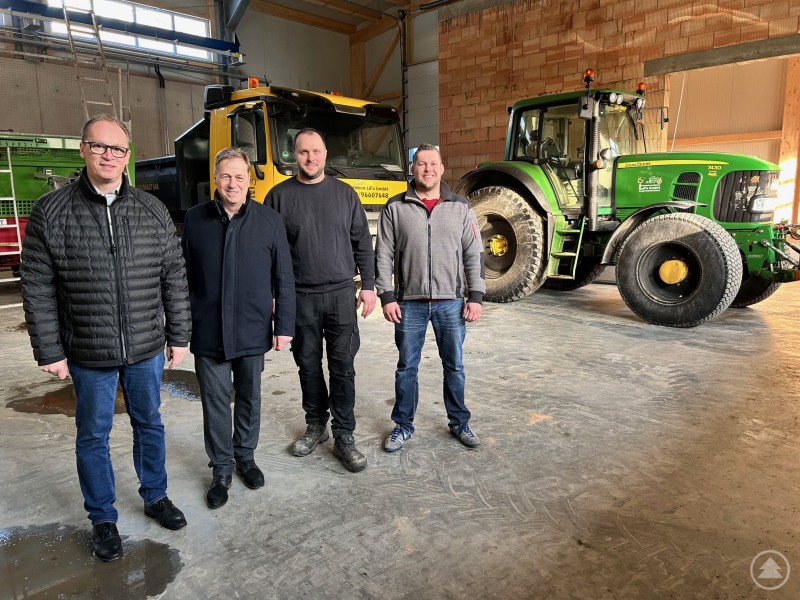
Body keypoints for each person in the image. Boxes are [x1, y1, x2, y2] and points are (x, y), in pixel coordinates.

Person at [20, 114, 191, 562]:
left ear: (127, 156)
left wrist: (179, 334)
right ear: (83, 150)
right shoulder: (52, 211)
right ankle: (103, 518)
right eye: (100, 147)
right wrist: (50, 349)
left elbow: (173, 275)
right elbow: (37, 285)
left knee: (149, 423)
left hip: (145, 346)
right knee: (93, 435)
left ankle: (155, 496)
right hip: (87, 349)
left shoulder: (151, 210)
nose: (109, 156)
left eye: (117, 149)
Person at [181, 147, 295, 509]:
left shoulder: (269, 221)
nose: (233, 183)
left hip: (252, 328)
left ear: (250, 181)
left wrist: (284, 326)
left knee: (249, 397)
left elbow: (284, 278)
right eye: (226, 176)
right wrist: (179, 329)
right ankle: (222, 469)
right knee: (215, 403)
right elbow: (180, 278)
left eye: (239, 177)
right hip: (208, 330)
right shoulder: (196, 220)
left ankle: (245, 456)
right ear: (216, 179)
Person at [265, 128, 375, 473]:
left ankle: (344, 435)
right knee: (308, 366)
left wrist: (369, 286)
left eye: (315, 152)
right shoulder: (278, 197)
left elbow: (363, 243)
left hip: (342, 295)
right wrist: (272, 295)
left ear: (326, 154)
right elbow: (268, 252)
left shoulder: (345, 194)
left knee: (343, 367)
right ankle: (316, 425)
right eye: (302, 152)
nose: (310, 159)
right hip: (299, 298)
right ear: (293, 156)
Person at [375, 143, 486, 453]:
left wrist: (475, 295)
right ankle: (403, 425)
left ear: (442, 167)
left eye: (433, 164)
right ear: (412, 169)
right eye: (421, 164)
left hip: (450, 301)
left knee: (455, 366)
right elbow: (382, 253)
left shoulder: (461, 207)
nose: (427, 169)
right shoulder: (395, 207)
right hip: (408, 302)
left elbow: (474, 253)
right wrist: (386, 295)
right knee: (406, 367)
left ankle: (459, 422)